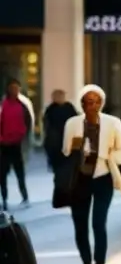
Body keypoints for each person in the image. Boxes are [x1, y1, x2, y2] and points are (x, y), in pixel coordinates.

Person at [62, 85, 121, 264]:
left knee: (98, 224)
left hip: (103, 177)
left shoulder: (113, 122)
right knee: (80, 226)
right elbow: (65, 151)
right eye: (87, 102)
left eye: (95, 101)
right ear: (81, 104)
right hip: (79, 180)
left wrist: (105, 156)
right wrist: (77, 148)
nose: (91, 105)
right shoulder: (72, 123)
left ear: (102, 103)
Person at [0, 78, 34, 211]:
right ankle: (4, 199)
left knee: (20, 173)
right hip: (3, 145)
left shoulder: (23, 105)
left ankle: (25, 197)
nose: (15, 90)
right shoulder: (3, 105)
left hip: (17, 144)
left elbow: (28, 122)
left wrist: (24, 137)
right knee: (2, 175)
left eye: (17, 88)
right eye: (12, 87)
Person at [42, 89, 76, 173]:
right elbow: (46, 124)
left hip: (67, 138)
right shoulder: (50, 109)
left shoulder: (69, 107)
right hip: (55, 141)